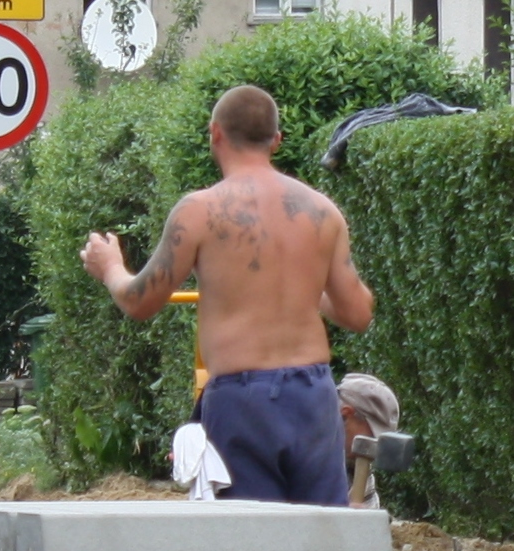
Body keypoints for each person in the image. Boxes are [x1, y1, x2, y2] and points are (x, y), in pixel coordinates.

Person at [81, 85, 374, 506]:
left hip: (242, 398)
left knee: (249, 545)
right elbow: (358, 313)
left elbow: (140, 301)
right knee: (320, 540)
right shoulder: (321, 211)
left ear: (215, 133)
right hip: (312, 395)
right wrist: (307, 286)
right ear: (277, 140)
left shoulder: (199, 211)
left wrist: (110, 266)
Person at [338, 372, 400, 509]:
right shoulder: (303, 453)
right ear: (346, 415)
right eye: (372, 437)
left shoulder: (360, 473)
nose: (375, 448)